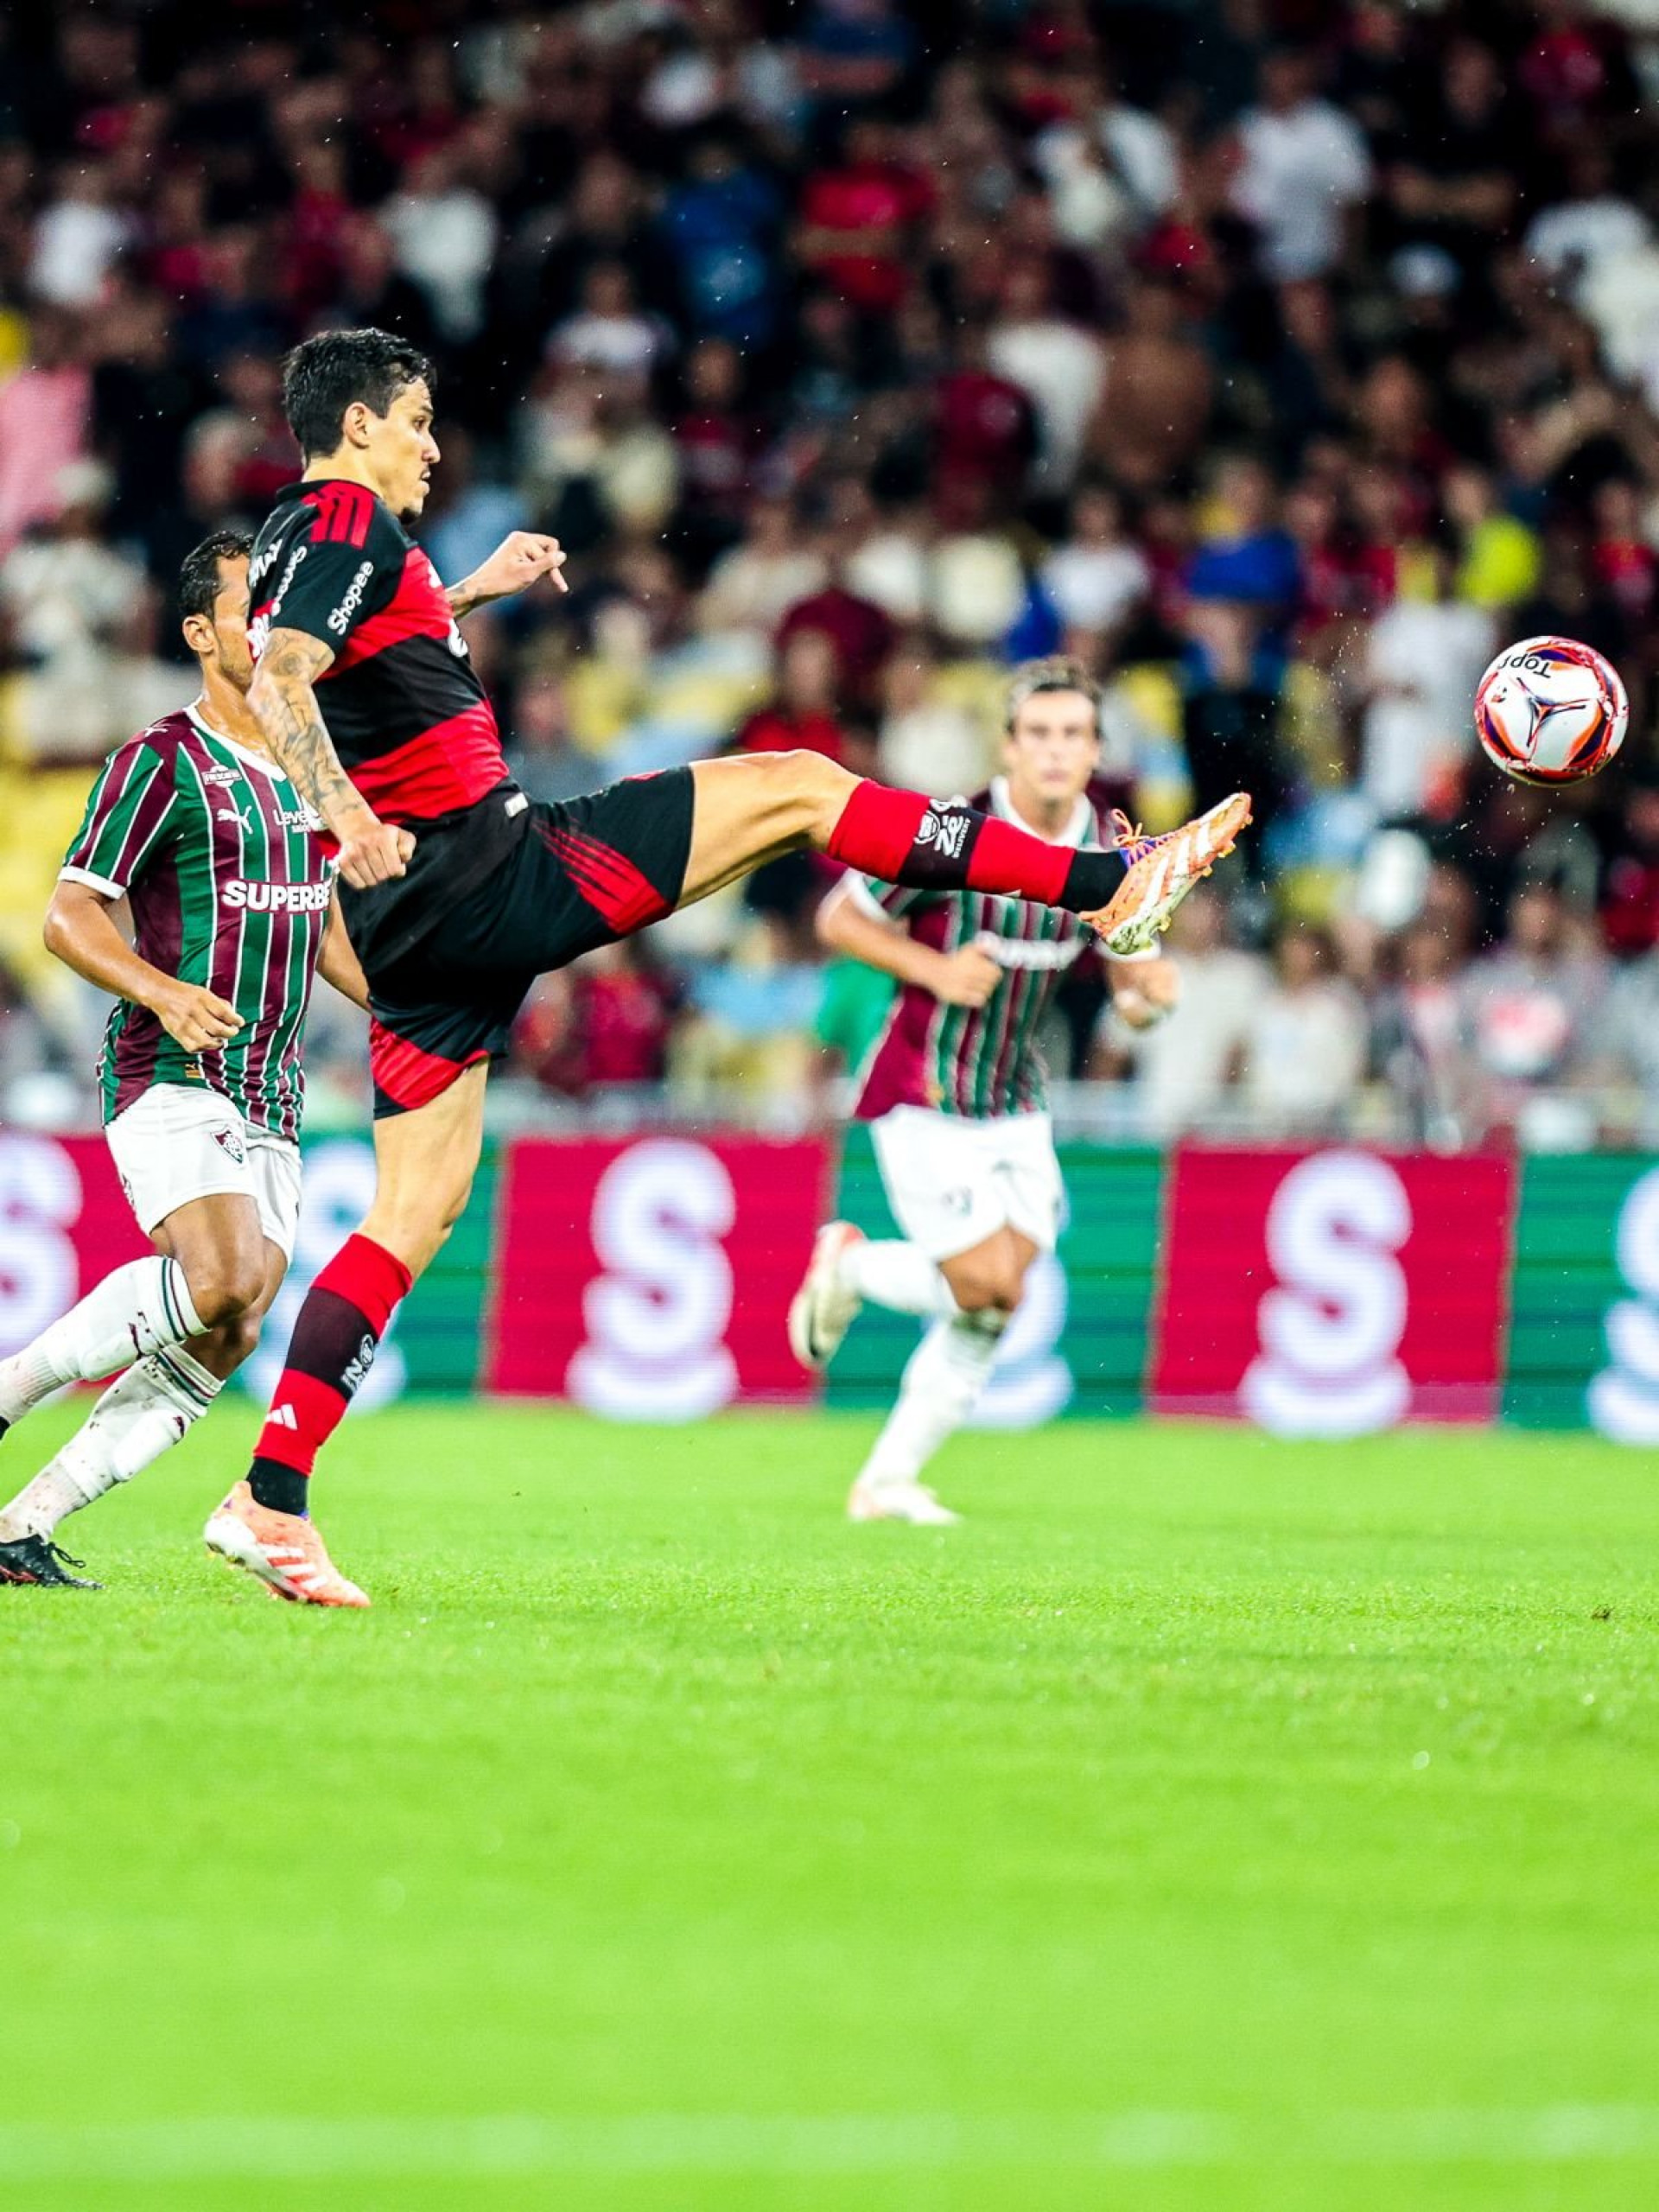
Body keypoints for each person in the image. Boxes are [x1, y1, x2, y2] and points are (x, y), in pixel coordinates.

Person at [229, 330, 1249, 1604]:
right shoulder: (346, 515)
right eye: (420, 421)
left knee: (414, 1212)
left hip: (411, 935)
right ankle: (1114, 884)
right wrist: (348, 815)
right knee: (803, 788)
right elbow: (284, 680)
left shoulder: (293, 535)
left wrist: (472, 590)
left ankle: (270, 1493)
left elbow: (355, 648)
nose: (434, 445)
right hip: (472, 874)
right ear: (364, 424)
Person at [0, 531, 370, 1592]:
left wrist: (400, 1015)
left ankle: (25, 1522)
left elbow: (318, 920)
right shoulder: (163, 759)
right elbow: (69, 917)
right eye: (247, 605)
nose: (269, 623)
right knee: (225, 1276)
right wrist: (163, 990)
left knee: (237, 1320)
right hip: (165, 1065)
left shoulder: (309, 763)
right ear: (201, 631)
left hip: (275, 1089)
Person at [787, 658, 1181, 1524]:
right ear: (1008, 746)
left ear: (1094, 750)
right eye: (1037, 733)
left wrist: (1149, 999)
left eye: (1073, 734)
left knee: (996, 1305)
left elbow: (1128, 981)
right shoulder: (949, 832)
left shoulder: (1106, 858)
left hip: (1015, 1097)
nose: (1054, 750)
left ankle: (885, 1481)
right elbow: (838, 918)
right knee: (977, 1282)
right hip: (919, 1084)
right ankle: (849, 1262)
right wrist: (932, 965)